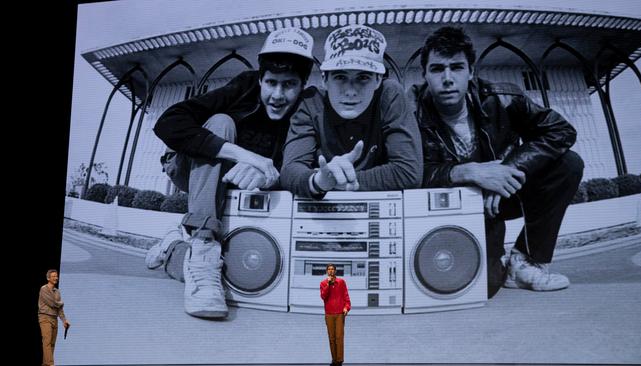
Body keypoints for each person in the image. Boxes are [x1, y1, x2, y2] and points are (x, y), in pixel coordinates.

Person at [145, 27, 315, 318]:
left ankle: (175, 247)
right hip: (188, 167)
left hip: (242, 182)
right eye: (271, 82)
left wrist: (266, 174)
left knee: (234, 269)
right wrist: (248, 157)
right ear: (260, 80)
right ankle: (202, 246)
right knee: (221, 121)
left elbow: (295, 170)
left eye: (289, 85)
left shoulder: (306, 109)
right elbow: (167, 123)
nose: (277, 95)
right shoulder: (244, 87)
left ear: (301, 86)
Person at [411, 27, 584, 297]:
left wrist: (507, 169)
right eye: (436, 69)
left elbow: (561, 131)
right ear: (424, 74)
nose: (447, 79)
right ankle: (497, 265)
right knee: (486, 285)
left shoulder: (502, 98)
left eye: (456, 67)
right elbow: (406, 174)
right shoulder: (411, 113)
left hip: (497, 198)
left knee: (568, 164)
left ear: (471, 71)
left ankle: (524, 261)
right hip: (447, 207)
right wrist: (467, 172)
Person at [281, 24, 422, 197]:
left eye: (363, 77)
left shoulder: (389, 94)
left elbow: (408, 172)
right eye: (340, 77)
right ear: (325, 79)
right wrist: (318, 181)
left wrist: (339, 181)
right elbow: (289, 170)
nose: (350, 91)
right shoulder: (312, 101)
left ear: (378, 80)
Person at [320, 264, 351, 366]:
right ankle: (334, 360)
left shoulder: (341, 282)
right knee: (332, 338)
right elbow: (324, 296)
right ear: (326, 271)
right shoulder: (323, 283)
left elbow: (346, 296)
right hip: (329, 314)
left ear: (335, 271)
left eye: (332, 269)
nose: (331, 271)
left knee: (339, 337)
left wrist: (347, 307)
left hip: (339, 314)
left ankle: (340, 360)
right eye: (329, 269)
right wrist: (328, 285)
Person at [38, 269, 70, 366]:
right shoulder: (44, 289)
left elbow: (59, 309)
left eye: (56, 276)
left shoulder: (57, 291)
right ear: (48, 278)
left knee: (52, 343)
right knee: (47, 342)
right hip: (45, 318)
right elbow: (52, 303)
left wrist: (64, 320)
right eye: (53, 276)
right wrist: (61, 303)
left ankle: (46, 364)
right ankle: (51, 364)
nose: (56, 278)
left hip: (54, 318)